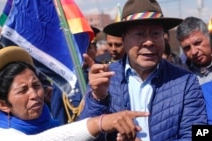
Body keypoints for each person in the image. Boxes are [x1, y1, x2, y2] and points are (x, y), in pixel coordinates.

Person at [79, 0, 207, 140]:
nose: (149, 42)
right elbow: (84, 134)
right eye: (139, 34)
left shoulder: (185, 81)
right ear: (124, 39)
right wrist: (97, 99)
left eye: (156, 34)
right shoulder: (104, 78)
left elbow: (196, 135)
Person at [0, 46, 149, 141]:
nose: (35, 94)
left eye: (36, 85)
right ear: (3, 105)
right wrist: (100, 122)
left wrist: (98, 96)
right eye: (23, 90)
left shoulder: (50, 123)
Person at [176, 16, 212, 124]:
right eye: (187, 48)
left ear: (209, 38)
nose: (194, 51)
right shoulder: (181, 78)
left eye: (197, 43)